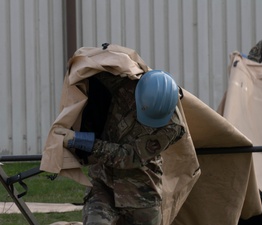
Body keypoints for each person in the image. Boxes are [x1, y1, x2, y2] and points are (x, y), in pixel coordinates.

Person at [54, 70, 185, 225]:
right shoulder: (123, 82)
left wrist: (84, 142)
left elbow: (130, 157)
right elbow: (89, 73)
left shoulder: (172, 127)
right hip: (104, 183)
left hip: (141, 191)